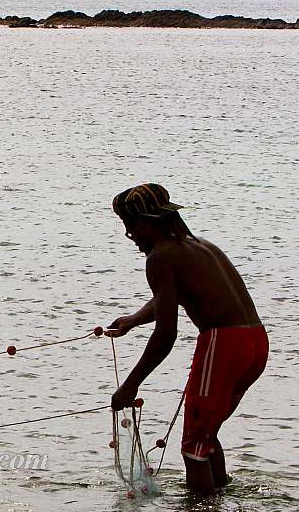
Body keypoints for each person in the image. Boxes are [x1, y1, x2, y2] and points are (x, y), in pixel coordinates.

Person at [106, 183, 266, 496]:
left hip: (224, 346)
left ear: (145, 224)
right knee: (206, 433)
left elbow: (166, 334)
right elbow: (174, 295)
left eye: (130, 228)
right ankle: (218, 510)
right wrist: (134, 320)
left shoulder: (160, 257)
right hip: (255, 342)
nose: (131, 237)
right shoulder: (200, 245)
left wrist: (131, 384)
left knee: (193, 446)